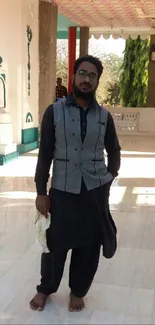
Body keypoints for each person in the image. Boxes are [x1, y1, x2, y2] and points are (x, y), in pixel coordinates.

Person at [30, 55, 121, 312]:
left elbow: (114, 150)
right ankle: (46, 288)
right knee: (55, 243)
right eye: (82, 73)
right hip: (62, 190)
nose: (86, 79)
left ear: (97, 82)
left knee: (89, 245)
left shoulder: (104, 116)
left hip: (94, 192)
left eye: (92, 76)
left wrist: (109, 177)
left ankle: (78, 291)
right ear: (74, 76)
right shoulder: (54, 112)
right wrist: (41, 191)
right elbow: (45, 153)